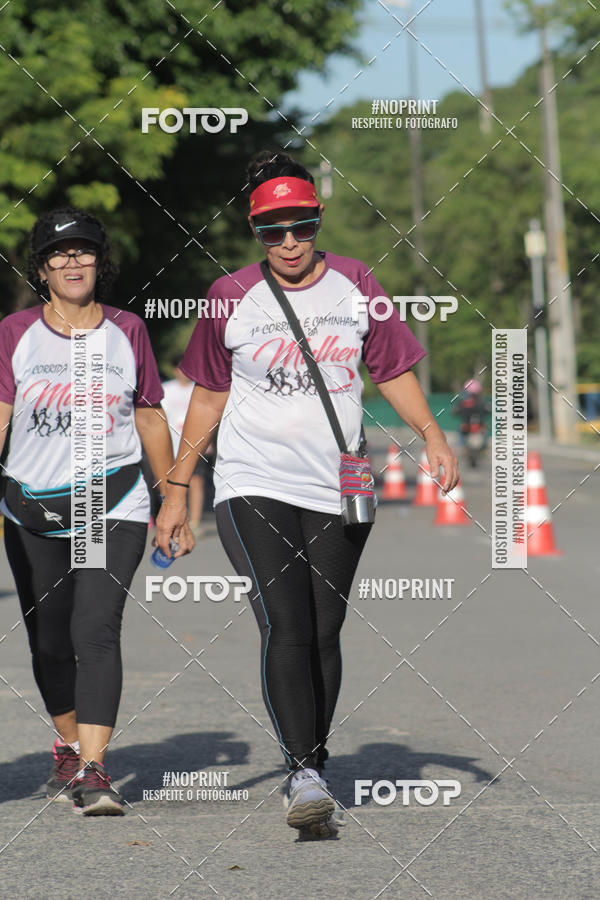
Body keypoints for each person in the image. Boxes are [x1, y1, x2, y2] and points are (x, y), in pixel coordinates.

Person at [156, 150, 459, 836]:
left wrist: (431, 436)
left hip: (341, 478)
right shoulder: (229, 295)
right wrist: (177, 488)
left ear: (318, 221)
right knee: (287, 625)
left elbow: (392, 369)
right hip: (252, 479)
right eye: (272, 230)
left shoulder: (357, 283)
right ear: (254, 229)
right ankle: (302, 770)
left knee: (325, 629)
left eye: (301, 227)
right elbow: (208, 398)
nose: (288, 242)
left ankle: (314, 763)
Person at [0, 207, 192, 815]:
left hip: (112, 499)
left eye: (83, 250)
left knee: (94, 630)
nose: (72, 261)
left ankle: (93, 769)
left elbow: (148, 415)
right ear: (42, 267)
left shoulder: (127, 330)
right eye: (59, 253)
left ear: (98, 260)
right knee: (50, 639)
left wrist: (173, 497)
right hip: (32, 504)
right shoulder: (15, 332)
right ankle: (68, 742)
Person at [161, 365, 214, 537]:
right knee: (169, 482)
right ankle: (170, 519)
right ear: (176, 371)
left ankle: (195, 521)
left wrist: (208, 441)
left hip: (194, 444)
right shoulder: (167, 389)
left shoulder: (198, 388)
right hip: (170, 444)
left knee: (196, 481)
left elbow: (210, 414)